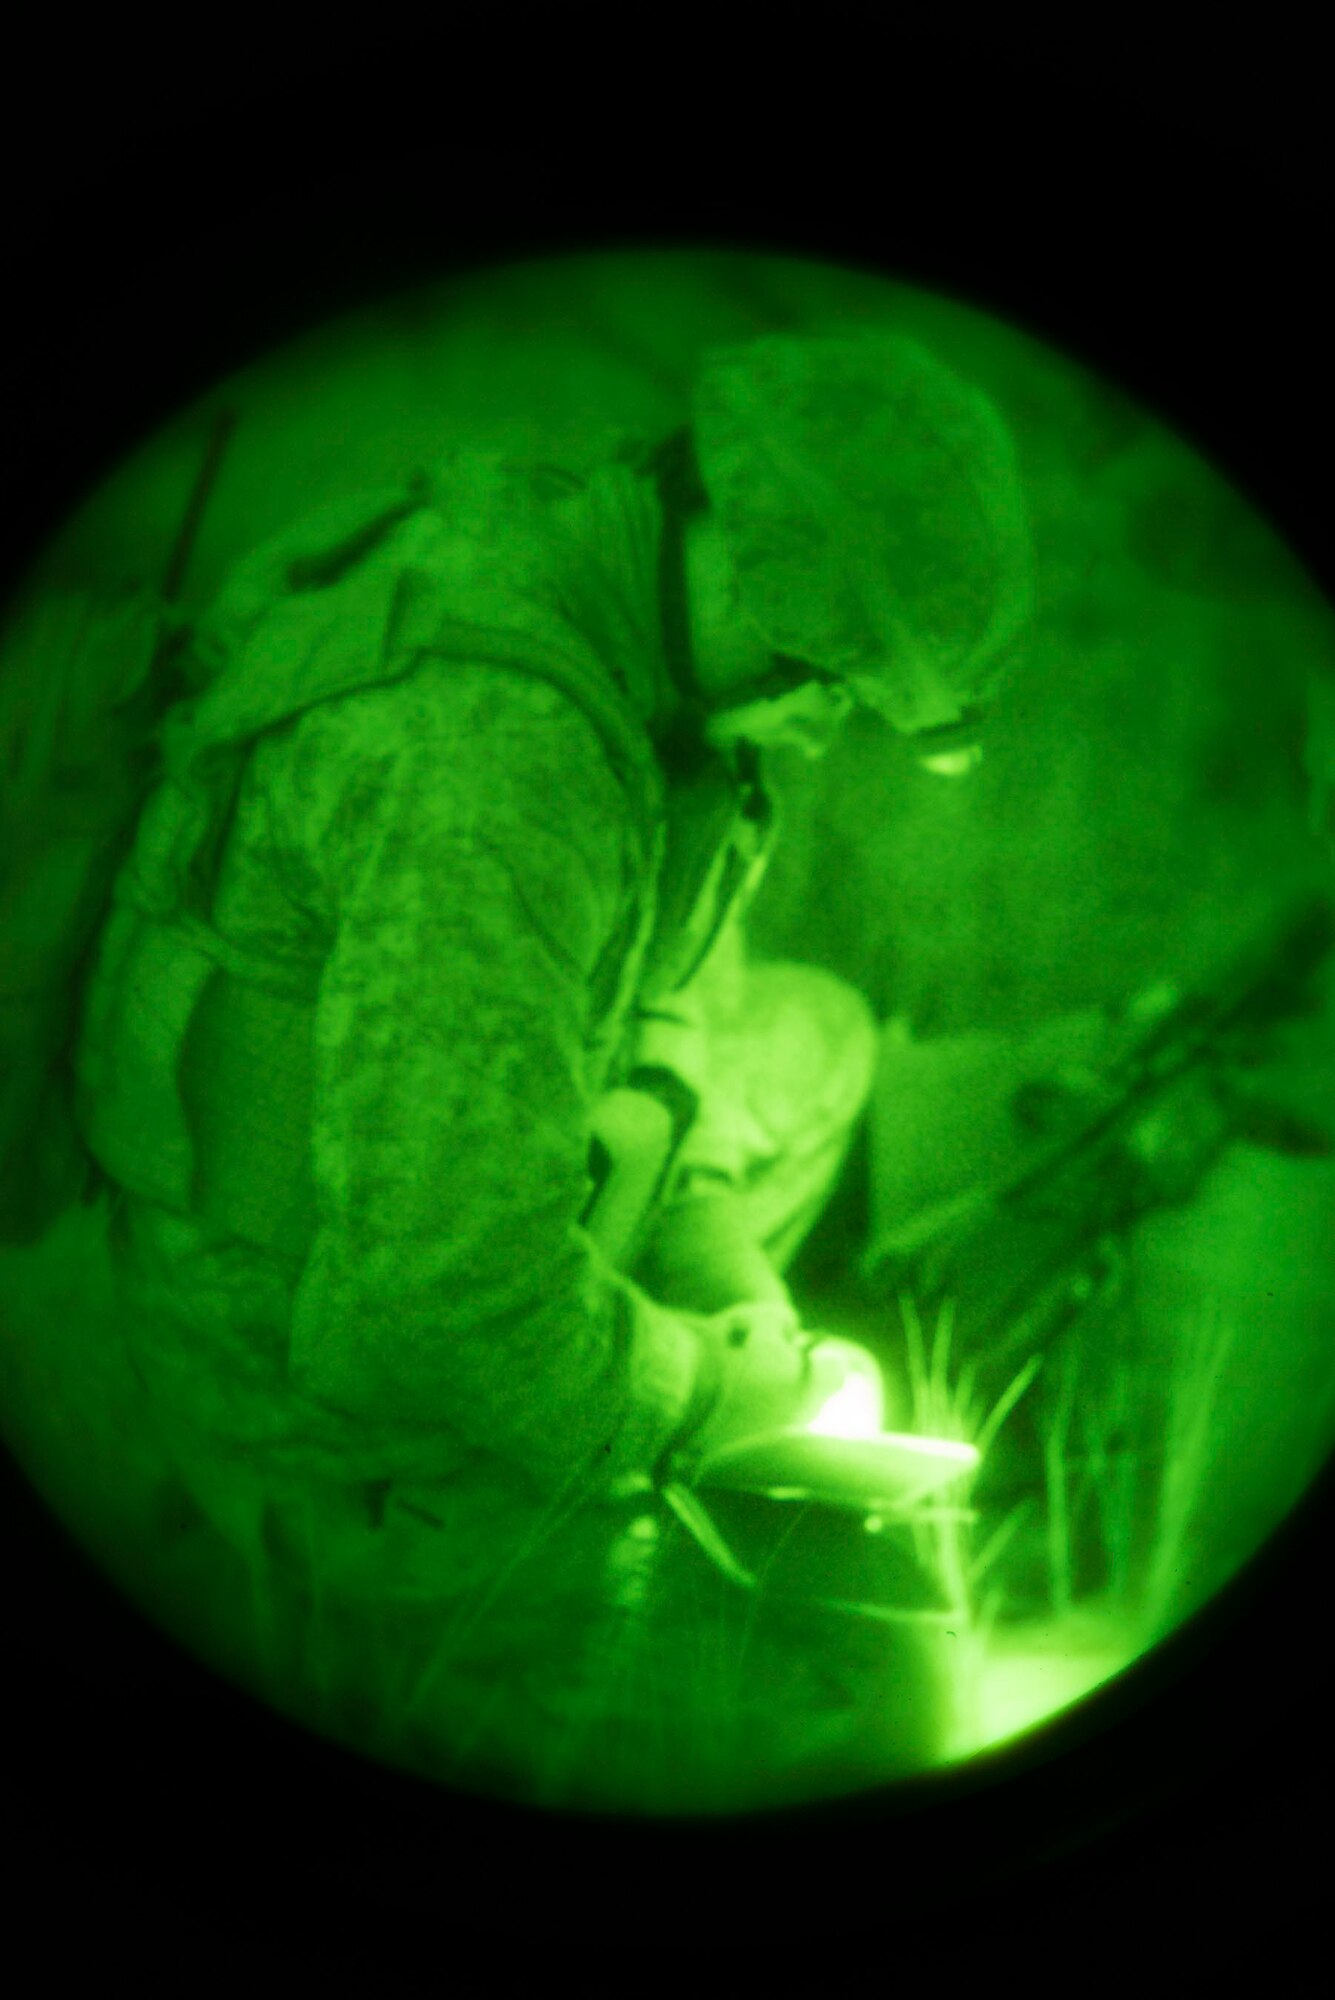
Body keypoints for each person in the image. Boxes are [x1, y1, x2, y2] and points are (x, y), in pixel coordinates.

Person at [69, 328, 1034, 1813]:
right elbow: (436, 1298)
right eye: (831, 685)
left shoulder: (625, 567)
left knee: (817, 1032)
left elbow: (676, 951)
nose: (829, 733)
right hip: (311, 1347)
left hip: (442, 1151)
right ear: (750, 584)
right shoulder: (496, 762)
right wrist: (706, 1399)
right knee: (877, 1717)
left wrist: (714, 1251)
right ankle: (317, 1564)